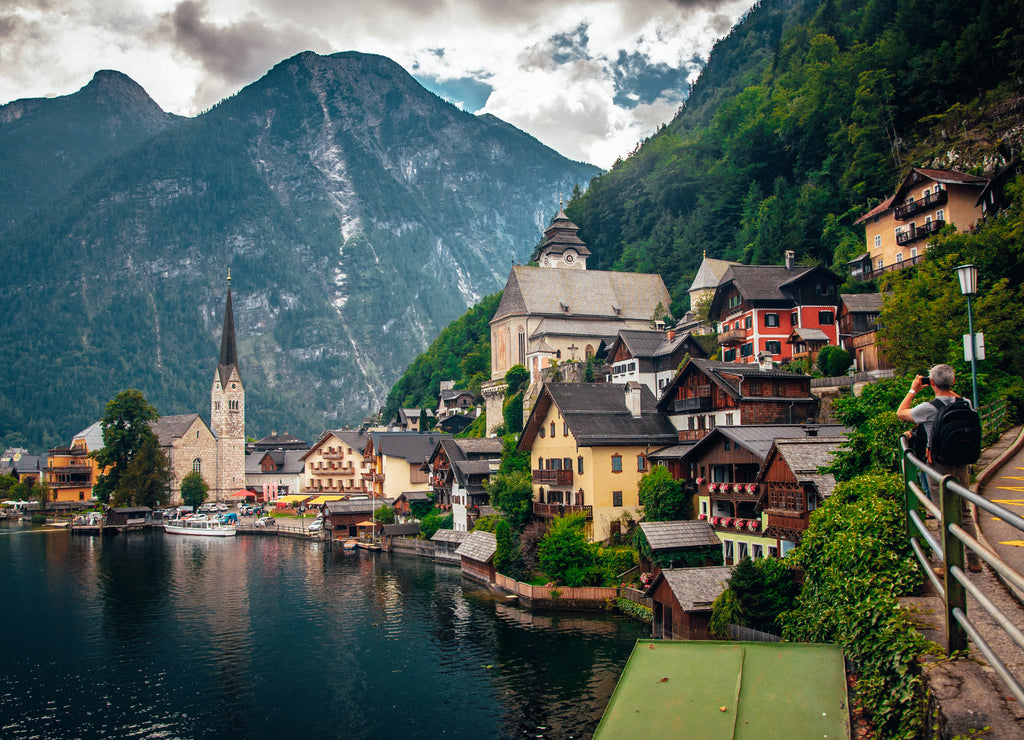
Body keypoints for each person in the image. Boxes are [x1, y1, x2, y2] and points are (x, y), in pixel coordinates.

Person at [896, 364, 982, 572]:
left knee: (943, 514)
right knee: (965, 512)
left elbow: (901, 413)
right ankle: (974, 561)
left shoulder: (928, 408)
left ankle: (949, 564)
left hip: (938, 465)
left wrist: (913, 390)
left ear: (932, 382)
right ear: (953, 381)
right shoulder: (966, 403)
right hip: (962, 463)